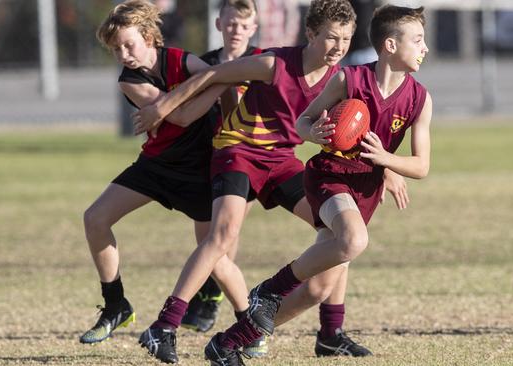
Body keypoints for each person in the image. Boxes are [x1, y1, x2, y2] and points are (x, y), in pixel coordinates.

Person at [133, 0, 378, 363]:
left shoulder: (337, 78)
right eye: (331, 38)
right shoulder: (274, 63)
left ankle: (330, 333)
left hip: (281, 161)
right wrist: (162, 106)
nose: (340, 47)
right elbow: (214, 74)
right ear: (310, 34)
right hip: (239, 152)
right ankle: (164, 326)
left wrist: (384, 172)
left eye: (346, 38)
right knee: (223, 236)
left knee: (340, 231)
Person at [203, 5, 432, 365]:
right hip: (329, 176)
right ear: (390, 45)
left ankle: (231, 341)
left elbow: (421, 166)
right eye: (418, 40)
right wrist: (317, 132)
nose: (425, 48)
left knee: (319, 287)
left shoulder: (420, 98)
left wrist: (386, 161)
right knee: (354, 240)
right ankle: (269, 289)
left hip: (365, 187)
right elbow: (302, 123)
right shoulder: (349, 80)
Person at [80, 1, 250, 356]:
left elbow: (227, 85)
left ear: (147, 37)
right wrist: (218, 80)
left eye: (129, 44)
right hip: (157, 166)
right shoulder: (130, 81)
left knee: (214, 257)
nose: (124, 54)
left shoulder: (182, 60)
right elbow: (185, 115)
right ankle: (116, 305)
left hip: (201, 169)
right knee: (95, 218)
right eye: (115, 49)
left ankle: (249, 322)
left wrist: (223, 89)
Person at [180, 0, 262, 350]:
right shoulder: (205, 64)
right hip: (210, 158)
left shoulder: (264, 62)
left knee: (225, 233)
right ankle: (214, 294)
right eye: (231, 24)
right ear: (219, 23)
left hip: (249, 158)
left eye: (244, 25)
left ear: (253, 28)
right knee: (210, 239)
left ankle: (215, 299)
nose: (236, 30)